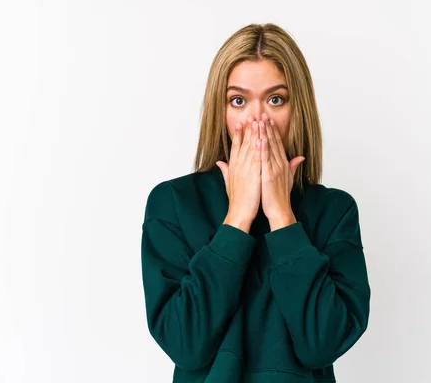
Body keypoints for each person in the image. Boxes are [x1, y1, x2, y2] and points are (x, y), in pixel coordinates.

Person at [140, 23, 371, 383]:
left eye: (276, 99)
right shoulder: (172, 204)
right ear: (222, 111)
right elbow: (185, 345)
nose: (257, 119)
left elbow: (323, 344)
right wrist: (238, 218)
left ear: (299, 109)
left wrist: (281, 216)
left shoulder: (334, 211)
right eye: (239, 100)